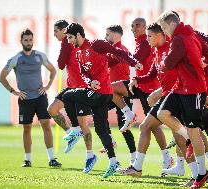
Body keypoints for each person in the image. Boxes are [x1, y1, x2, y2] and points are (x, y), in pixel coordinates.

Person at [62, 23, 141, 178]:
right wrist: (90, 81)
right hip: (98, 94)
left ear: (79, 34)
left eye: (70, 37)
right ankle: (113, 162)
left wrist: (133, 62)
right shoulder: (78, 52)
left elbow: (117, 51)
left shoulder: (96, 44)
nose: (69, 41)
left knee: (67, 95)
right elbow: (84, 73)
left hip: (103, 92)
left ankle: (76, 130)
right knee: (100, 129)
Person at [157, 11, 208, 189]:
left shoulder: (179, 39)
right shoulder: (192, 34)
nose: (164, 31)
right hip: (181, 88)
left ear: (172, 24)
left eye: (164, 27)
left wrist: (162, 64)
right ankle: (188, 140)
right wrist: (202, 61)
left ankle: (201, 173)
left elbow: (168, 64)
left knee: (194, 131)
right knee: (163, 113)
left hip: (194, 91)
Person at [111, 18, 172, 171]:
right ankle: (128, 114)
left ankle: (167, 157)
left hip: (149, 89)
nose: (133, 28)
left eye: (137, 25)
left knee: (153, 127)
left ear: (145, 27)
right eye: (131, 25)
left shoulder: (146, 41)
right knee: (113, 88)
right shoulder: (141, 42)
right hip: (140, 85)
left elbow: (134, 59)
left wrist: (114, 53)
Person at [0, 28, 61, 167]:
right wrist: (14, 92)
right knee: (27, 128)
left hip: (40, 97)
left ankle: (52, 159)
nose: (28, 42)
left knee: (46, 125)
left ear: (33, 40)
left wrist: (47, 86)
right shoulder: (16, 59)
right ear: (21, 41)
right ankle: (27, 159)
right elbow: (2, 77)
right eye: (26, 40)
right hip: (25, 99)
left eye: (30, 40)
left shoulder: (40, 56)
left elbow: (53, 70)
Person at [48, 20, 97, 173]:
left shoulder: (68, 43)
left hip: (82, 89)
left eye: (56, 31)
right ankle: (71, 134)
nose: (54, 34)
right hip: (71, 88)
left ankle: (90, 155)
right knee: (52, 109)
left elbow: (61, 64)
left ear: (64, 31)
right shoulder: (70, 43)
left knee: (83, 125)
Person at [102, 25, 137, 164]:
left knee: (124, 127)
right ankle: (110, 140)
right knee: (99, 111)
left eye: (108, 35)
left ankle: (134, 159)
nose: (106, 38)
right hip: (112, 93)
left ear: (117, 36)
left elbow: (110, 62)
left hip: (122, 93)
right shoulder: (112, 51)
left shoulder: (121, 50)